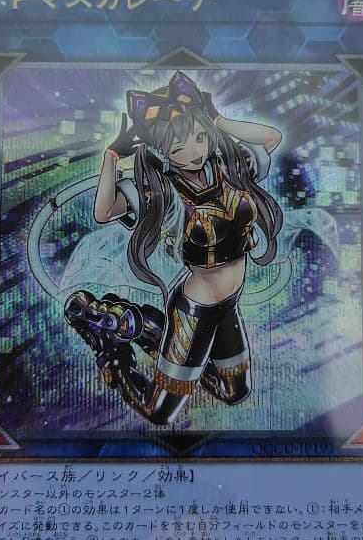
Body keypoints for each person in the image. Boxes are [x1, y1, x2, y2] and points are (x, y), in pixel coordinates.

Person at [64, 70, 283, 426]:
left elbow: (272, 137)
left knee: (235, 391)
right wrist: (111, 157)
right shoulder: (162, 192)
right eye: (179, 148)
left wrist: (217, 120)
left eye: (200, 137)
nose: (195, 152)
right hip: (195, 310)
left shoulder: (230, 167)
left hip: (228, 303)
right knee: (159, 413)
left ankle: (140, 327)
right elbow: (103, 212)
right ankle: (111, 336)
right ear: (161, 152)